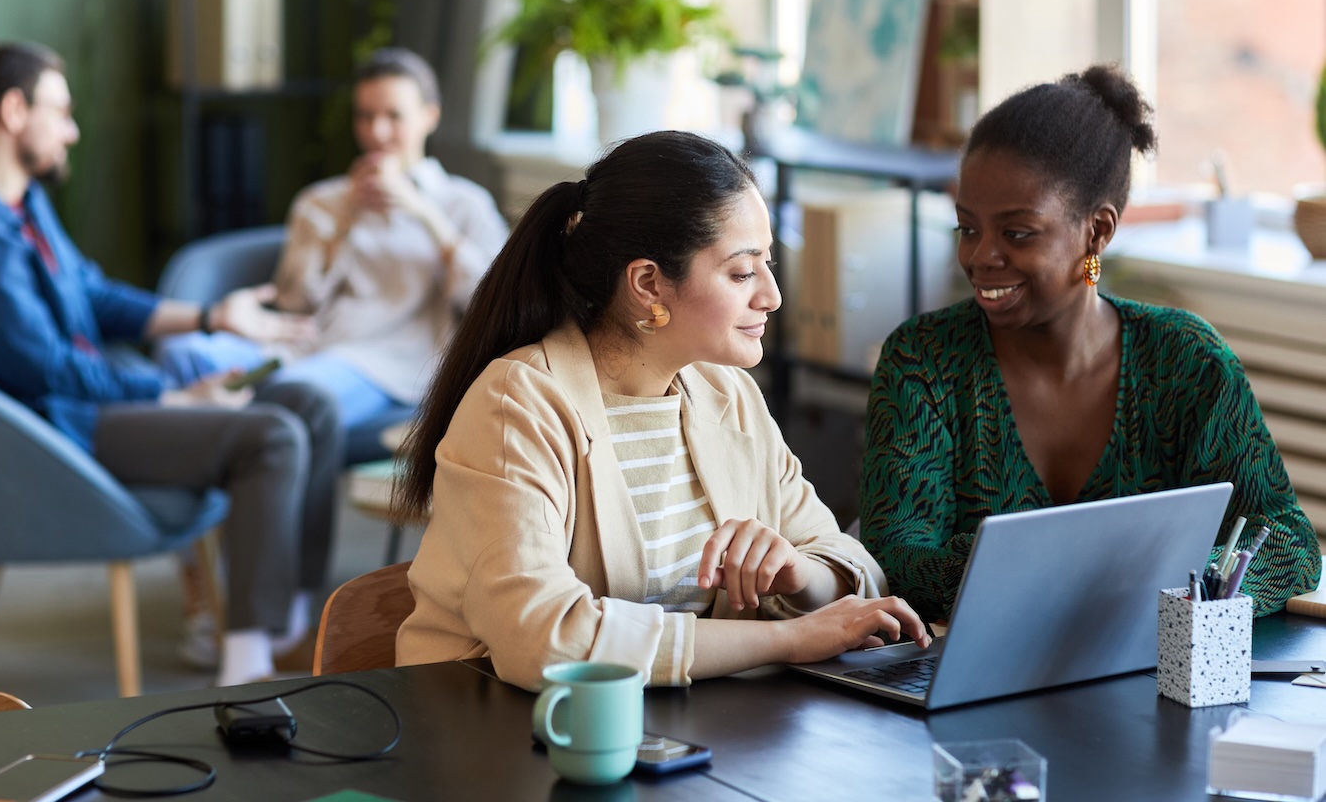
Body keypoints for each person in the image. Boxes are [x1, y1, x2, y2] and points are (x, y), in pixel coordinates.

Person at [394, 130, 928, 691]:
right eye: (743, 272)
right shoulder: (520, 404)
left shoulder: (728, 395)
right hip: (495, 739)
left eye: (767, 264)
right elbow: (546, 638)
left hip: (679, 737)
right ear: (649, 283)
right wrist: (788, 639)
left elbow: (855, 566)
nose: (771, 295)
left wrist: (799, 576)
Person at [0, 41, 341, 686]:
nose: (72, 131)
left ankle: (298, 624)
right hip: (56, 430)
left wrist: (213, 316)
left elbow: (93, 295)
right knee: (268, 436)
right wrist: (172, 392)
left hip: (86, 401)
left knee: (311, 406)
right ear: (14, 110)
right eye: (63, 111)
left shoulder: (21, 205)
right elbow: (48, 370)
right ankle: (247, 664)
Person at [858, 64, 1321, 622]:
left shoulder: (1188, 363)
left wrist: (1054, 570)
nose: (980, 256)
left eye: (1017, 232)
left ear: (1097, 231)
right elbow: (896, 561)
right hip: (972, 687)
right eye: (968, 227)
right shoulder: (923, 360)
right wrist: (1125, 571)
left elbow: (1287, 544)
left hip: (1148, 684)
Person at [154, 47, 508, 463]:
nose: (377, 132)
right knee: (183, 355)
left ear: (429, 116)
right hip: (305, 348)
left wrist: (424, 214)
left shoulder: (463, 203)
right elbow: (294, 301)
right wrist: (344, 221)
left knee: (292, 392)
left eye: (394, 116)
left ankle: (243, 494)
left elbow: (489, 303)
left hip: (389, 364)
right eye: (365, 115)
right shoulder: (322, 201)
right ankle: (200, 502)